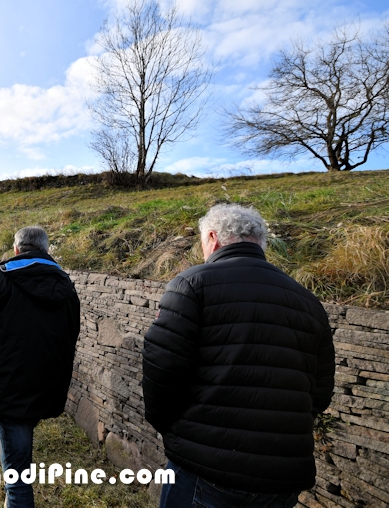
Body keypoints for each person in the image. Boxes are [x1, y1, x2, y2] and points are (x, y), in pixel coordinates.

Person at [142, 203, 335, 507]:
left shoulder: (192, 284)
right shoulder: (307, 300)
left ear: (213, 238)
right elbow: (320, 393)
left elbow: (162, 368)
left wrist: (175, 430)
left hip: (205, 467)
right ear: (259, 242)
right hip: (281, 477)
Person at [0, 226, 80, 508]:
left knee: (17, 475)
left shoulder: (3, 278)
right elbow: (72, 332)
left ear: (16, 249)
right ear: (46, 249)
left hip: (10, 383)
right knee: (20, 452)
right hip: (49, 383)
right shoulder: (65, 283)